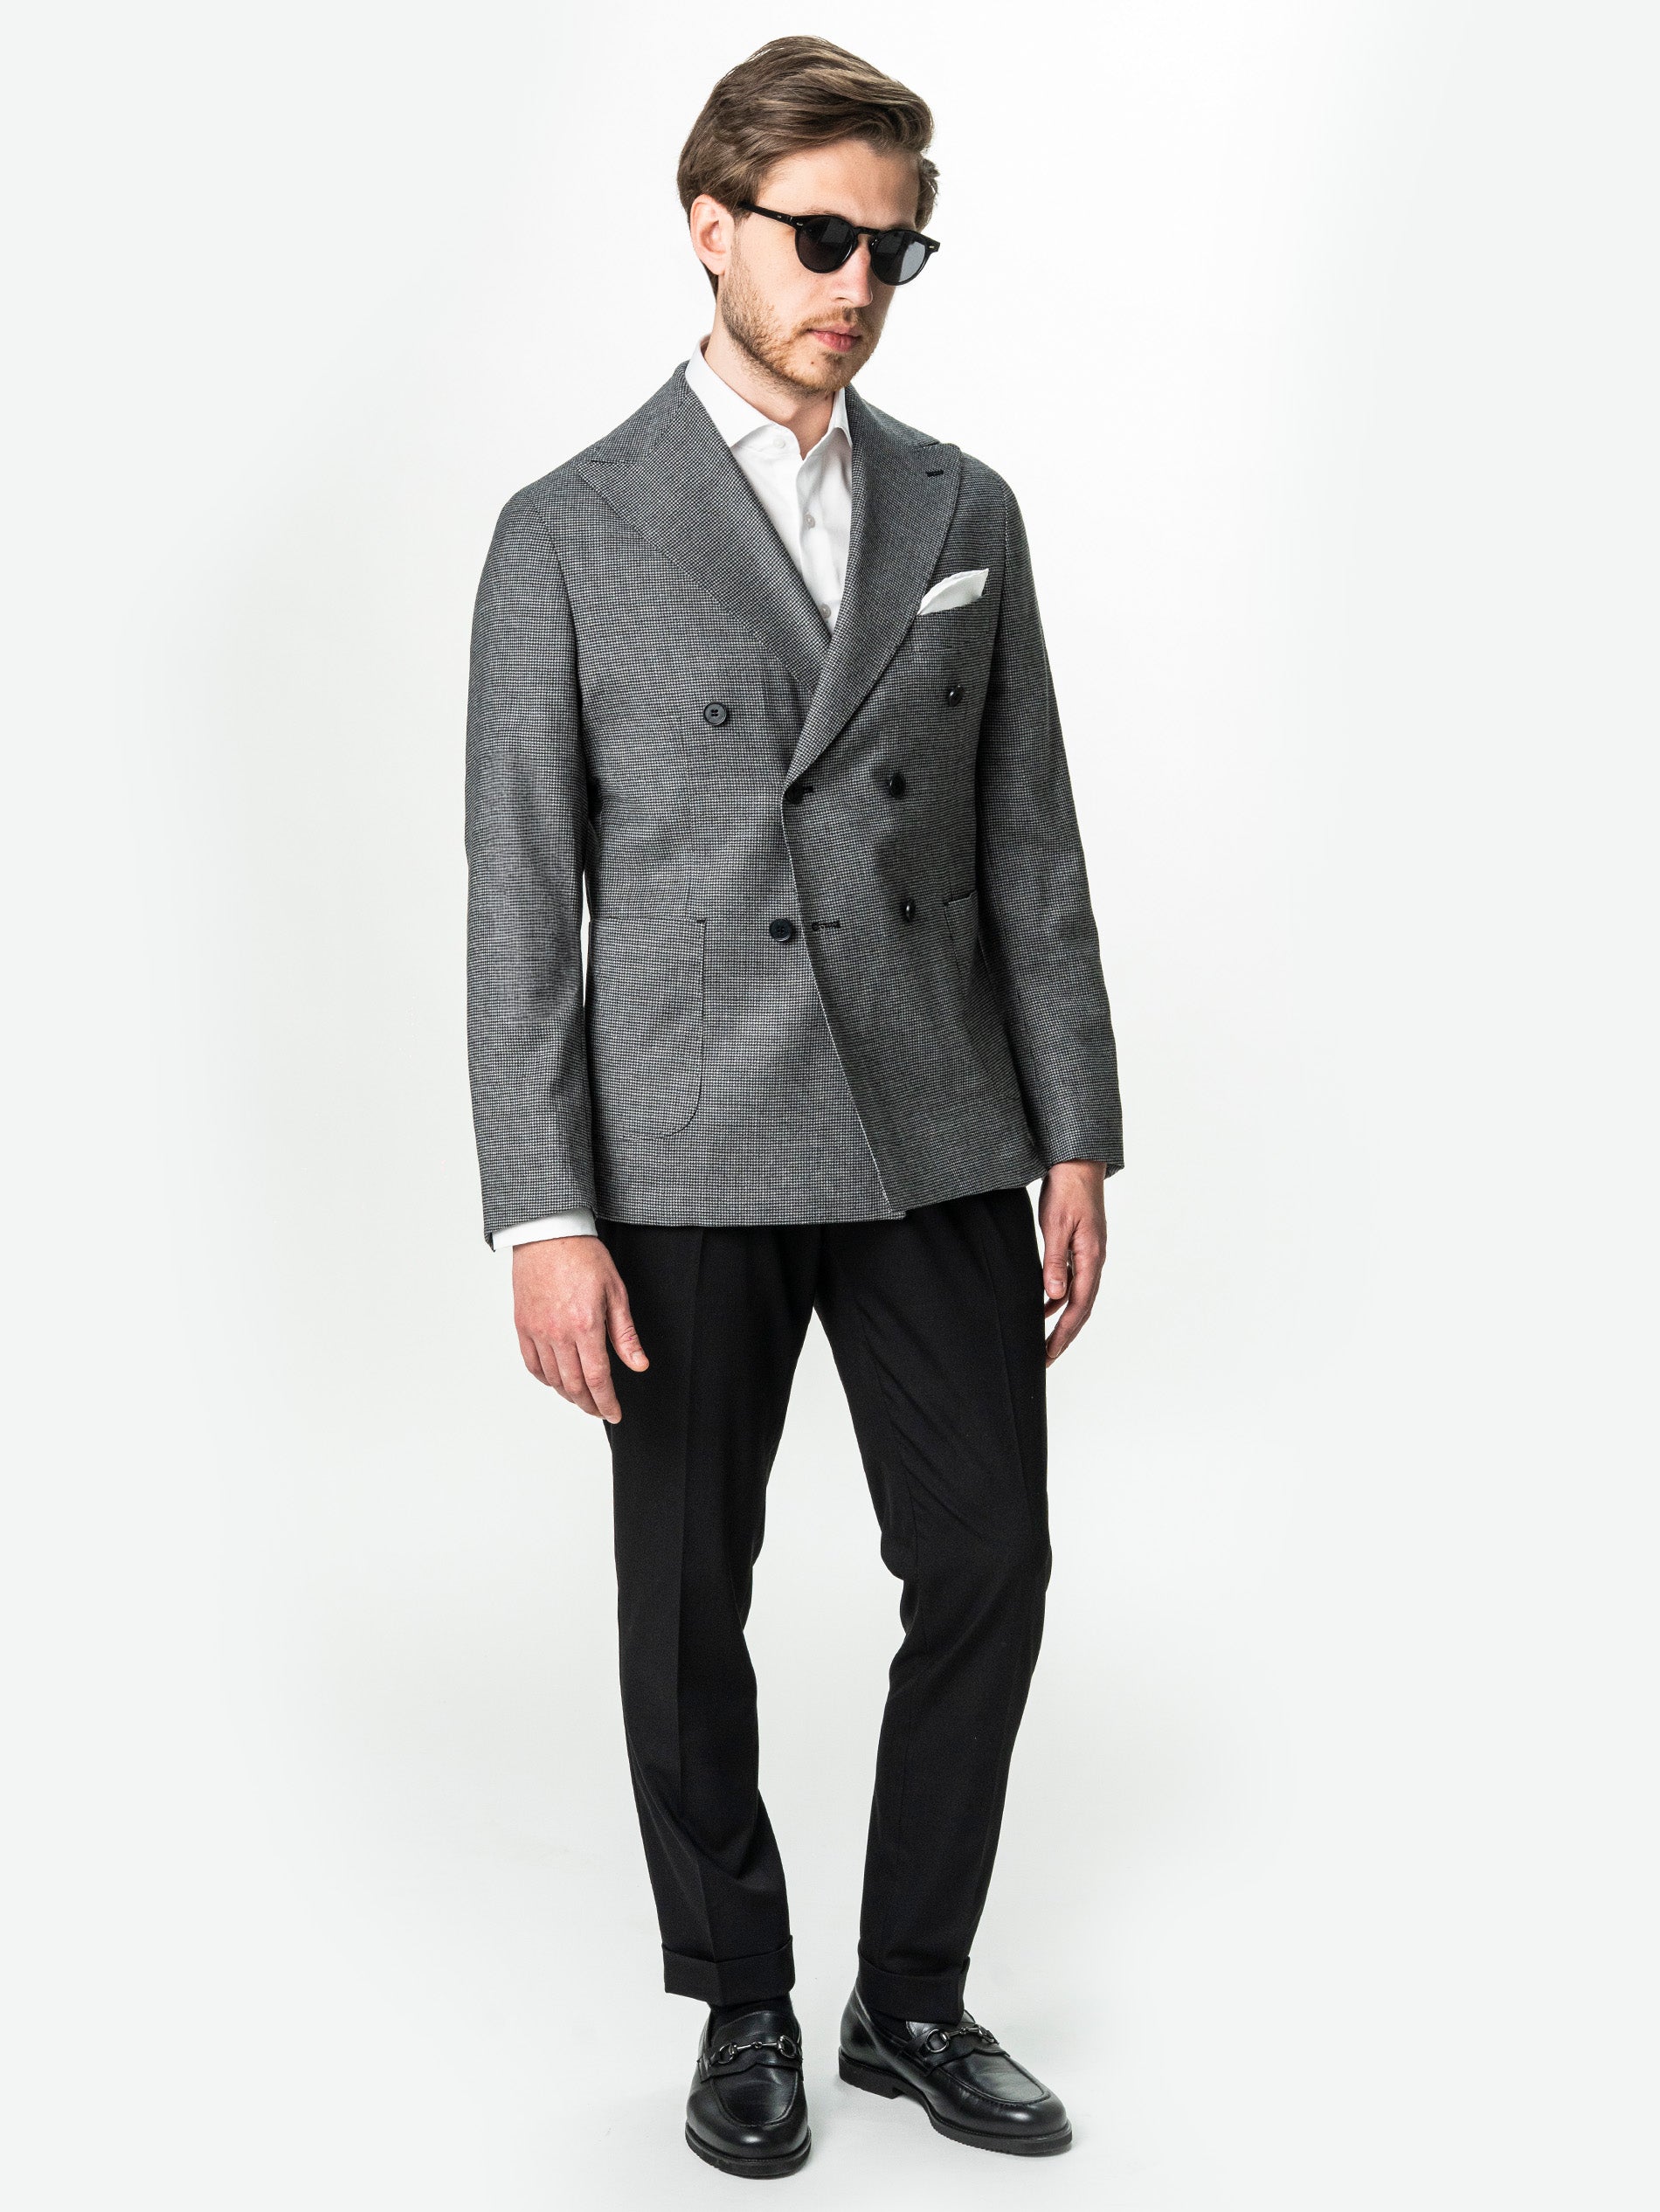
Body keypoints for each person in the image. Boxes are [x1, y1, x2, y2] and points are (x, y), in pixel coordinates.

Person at [465, 33, 1122, 2177]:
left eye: (889, 250)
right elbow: (520, 898)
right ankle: (736, 1991)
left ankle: (907, 1997)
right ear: (710, 229)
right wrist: (540, 1213)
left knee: (988, 1558)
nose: (853, 284)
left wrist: (1074, 1129)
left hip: (936, 1126)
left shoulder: (962, 507)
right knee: (686, 1601)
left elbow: (1027, 844)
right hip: (686, 1138)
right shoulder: (564, 532)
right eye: (819, 238)